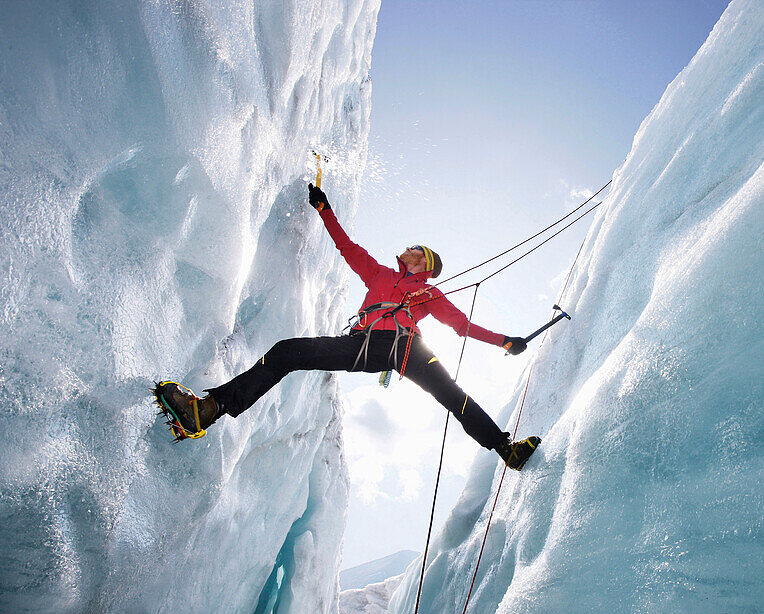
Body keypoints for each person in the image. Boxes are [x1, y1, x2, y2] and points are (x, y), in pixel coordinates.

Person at [155, 183, 541, 471]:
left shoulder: (429, 294)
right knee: (287, 352)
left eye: (414, 248)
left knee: (453, 396)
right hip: (364, 345)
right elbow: (347, 247)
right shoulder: (378, 274)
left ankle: (506, 449)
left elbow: (462, 326)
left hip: (408, 349)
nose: (406, 247)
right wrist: (324, 209)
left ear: (422, 261)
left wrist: (504, 341)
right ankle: (208, 409)